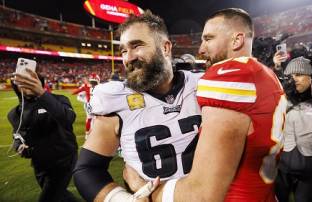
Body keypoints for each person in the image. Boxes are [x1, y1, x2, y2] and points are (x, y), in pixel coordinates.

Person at [124, 8, 287, 202]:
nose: (200, 49)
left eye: (208, 39)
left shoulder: (230, 77)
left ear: (237, 40)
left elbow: (200, 195)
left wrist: (144, 189)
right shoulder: (267, 74)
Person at [73, 11, 202, 202]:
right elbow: (87, 170)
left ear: (165, 47)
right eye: (124, 51)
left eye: (137, 46)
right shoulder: (114, 99)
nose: (128, 58)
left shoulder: (202, 84)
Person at [8, 69, 78, 202]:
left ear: (39, 82)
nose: (25, 84)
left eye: (30, 80)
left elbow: (68, 119)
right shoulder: (15, 114)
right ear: (15, 86)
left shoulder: (60, 100)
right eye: (21, 81)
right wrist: (19, 146)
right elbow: (17, 135)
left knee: (49, 197)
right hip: (39, 164)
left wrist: (41, 93)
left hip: (64, 160)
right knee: (61, 195)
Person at [275, 57, 312, 202]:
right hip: (282, 165)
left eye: (299, 74)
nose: (295, 79)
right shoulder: (283, 99)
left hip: (310, 166)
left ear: (311, 77)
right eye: (291, 76)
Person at [72, 73, 100, 138]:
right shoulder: (100, 87)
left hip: (88, 105)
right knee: (96, 119)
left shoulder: (85, 86)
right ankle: (95, 133)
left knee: (89, 119)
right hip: (97, 104)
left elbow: (75, 92)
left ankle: (87, 134)